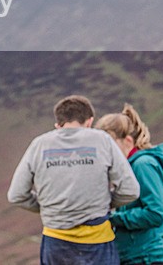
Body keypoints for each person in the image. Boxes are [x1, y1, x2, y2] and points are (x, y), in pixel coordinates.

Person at [7, 95, 140, 265]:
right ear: (89, 121)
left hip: (55, 242)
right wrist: (102, 203)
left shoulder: (39, 145)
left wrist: (51, 207)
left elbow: (16, 195)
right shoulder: (102, 141)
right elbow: (130, 190)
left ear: (58, 124)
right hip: (97, 241)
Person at [96, 104, 163, 265]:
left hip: (147, 258)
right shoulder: (129, 168)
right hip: (135, 257)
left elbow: (155, 214)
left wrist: (113, 218)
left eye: (110, 145)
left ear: (127, 140)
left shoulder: (143, 165)